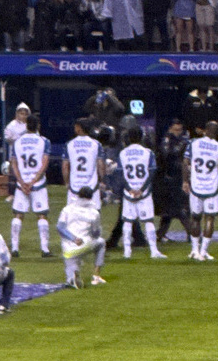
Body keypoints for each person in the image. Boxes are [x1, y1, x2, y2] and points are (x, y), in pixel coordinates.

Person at [116, 121, 163, 261]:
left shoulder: (123, 153)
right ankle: (154, 251)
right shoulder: (148, 153)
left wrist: (129, 188)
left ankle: (127, 252)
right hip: (144, 191)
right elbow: (152, 173)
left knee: (127, 221)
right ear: (142, 137)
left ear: (128, 137)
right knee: (148, 221)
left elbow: (120, 174)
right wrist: (141, 189)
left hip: (129, 191)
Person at [7, 113, 52, 260]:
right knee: (42, 215)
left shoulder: (18, 142)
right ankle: (44, 249)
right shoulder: (44, 141)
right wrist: (33, 181)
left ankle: (14, 248)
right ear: (38, 125)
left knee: (18, 215)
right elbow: (44, 163)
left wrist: (21, 182)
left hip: (22, 184)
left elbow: (14, 164)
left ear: (26, 125)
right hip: (38, 183)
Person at [184, 120, 218, 263]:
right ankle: (203, 251)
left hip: (196, 184)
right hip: (211, 186)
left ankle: (195, 250)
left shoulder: (193, 143)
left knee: (195, 217)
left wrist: (185, 181)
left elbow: (186, 162)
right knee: (209, 218)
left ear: (205, 130)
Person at [56, 186, 105, 290]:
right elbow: (96, 234)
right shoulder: (94, 213)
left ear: (78, 195)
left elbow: (60, 228)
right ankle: (96, 275)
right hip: (85, 244)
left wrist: (73, 239)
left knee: (71, 262)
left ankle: (72, 277)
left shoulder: (67, 209)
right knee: (101, 242)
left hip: (68, 249)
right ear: (91, 197)